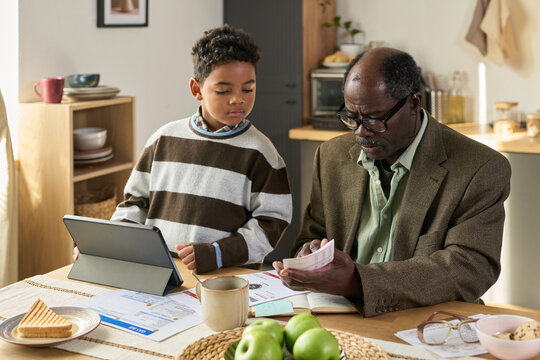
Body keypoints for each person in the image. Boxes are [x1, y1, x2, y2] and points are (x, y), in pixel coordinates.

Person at [273, 47, 511, 317]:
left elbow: (471, 268)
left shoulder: (479, 167)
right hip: (340, 316)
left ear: (413, 104)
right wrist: (309, 254)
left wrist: (357, 281)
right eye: (352, 117)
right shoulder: (330, 156)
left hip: (428, 322)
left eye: (375, 119)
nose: (361, 132)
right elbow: (312, 234)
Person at [75, 25, 292, 274]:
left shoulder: (262, 153)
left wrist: (218, 254)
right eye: (223, 90)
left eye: (248, 89)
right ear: (196, 89)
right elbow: (135, 204)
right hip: (158, 271)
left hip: (224, 278)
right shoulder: (163, 139)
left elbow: (272, 223)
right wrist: (107, 244)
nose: (237, 99)